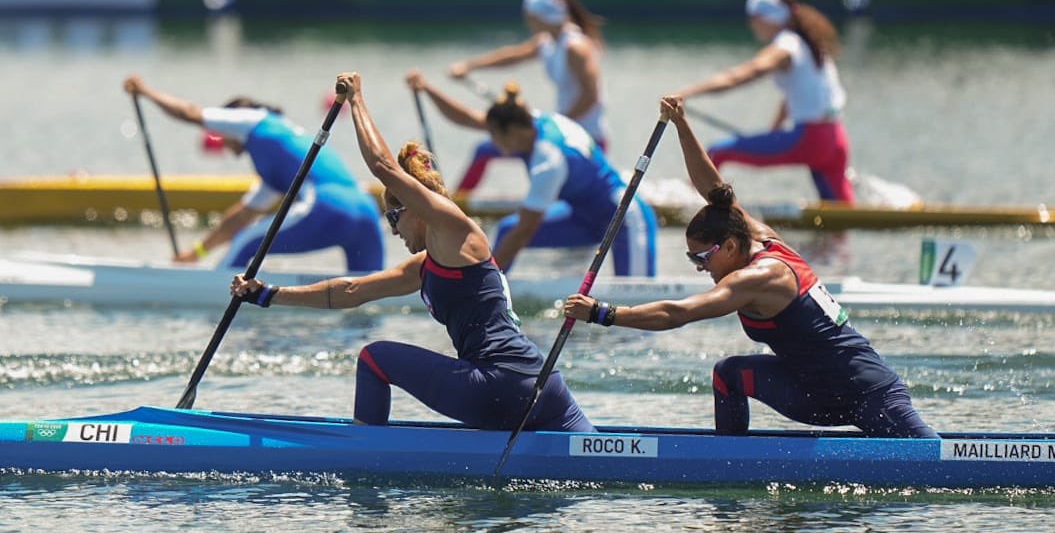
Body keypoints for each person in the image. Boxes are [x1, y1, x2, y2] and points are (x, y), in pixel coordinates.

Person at [231, 71, 593, 432]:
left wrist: (357, 99)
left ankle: (363, 451)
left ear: (413, 209)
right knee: (598, 453)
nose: (392, 230)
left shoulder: (455, 229)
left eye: (393, 217)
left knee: (374, 358)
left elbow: (383, 167)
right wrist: (267, 294)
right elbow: (351, 291)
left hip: (495, 384)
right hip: (545, 385)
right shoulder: (427, 263)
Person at [563, 96, 936, 439]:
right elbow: (714, 189)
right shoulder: (751, 235)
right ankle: (729, 460)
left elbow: (678, 313)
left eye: (702, 258)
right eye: (692, 259)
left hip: (867, 392)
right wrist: (681, 124)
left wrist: (602, 313)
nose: (700, 268)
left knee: (929, 459)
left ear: (729, 247)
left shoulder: (759, 277)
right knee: (730, 374)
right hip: (813, 392)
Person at [406, 70, 656, 277]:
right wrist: (427, 88)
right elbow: (468, 118)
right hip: (583, 217)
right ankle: (493, 286)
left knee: (636, 309)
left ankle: (487, 282)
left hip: (624, 218)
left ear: (512, 132)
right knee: (507, 229)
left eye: (494, 135)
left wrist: (483, 281)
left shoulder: (548, 160)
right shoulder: (531, 120)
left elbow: (524, 232)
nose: (492, 142)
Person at [122, 75, 384, 271]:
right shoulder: (277, 158)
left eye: (221, 133)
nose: (221, 140)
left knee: (246, 243)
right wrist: (196, 253)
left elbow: (191, 113)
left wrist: (146, 92)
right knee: (368, 293)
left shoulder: (252, 120)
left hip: (328, 204)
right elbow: (242, 217)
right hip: (367, 211)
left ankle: (218, 294)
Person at [673, 0, 855, 204]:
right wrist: (775, 131)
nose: (751, 24)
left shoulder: (786, 46)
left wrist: (685, 93)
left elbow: (743, 74)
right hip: (836, 139)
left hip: (809, 140)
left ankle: (693, 207)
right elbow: (796, 95)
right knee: (841, 209)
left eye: (754, 18)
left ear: (770, 18)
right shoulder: (808, 44)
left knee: (716, 152)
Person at [448, 0, 609, 192]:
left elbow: (591, 96)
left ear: (540, 17)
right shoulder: (547, 42)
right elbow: (512, 56)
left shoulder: (576, 48)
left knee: (486, 150)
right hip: (562, 134)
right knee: (484, 150)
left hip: (586, 139)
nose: (527, 21)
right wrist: (470, 66)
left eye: (529, 16)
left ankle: (454, 204)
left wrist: (558, 124)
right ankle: (458, 202)